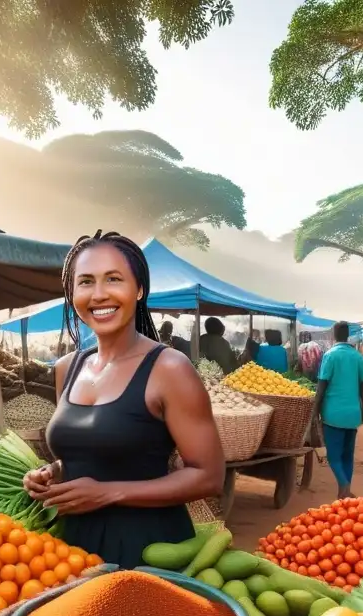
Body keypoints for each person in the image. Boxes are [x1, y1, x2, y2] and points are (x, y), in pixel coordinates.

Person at [23, 231, 224, 569]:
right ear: (72, 293)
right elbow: (93, 452)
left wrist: (107, 493)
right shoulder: (66, 368)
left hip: (147, 549)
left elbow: (209, 476)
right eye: (85, 282)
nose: (99, 294)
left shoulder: (169, 369)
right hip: (72, 550)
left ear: (139, 289)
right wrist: (53, 472)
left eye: (113, 279)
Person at [315, 321, 363, 499]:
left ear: (333, 334)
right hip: (353, 414)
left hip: (333, 413)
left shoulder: (330, 356)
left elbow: (322, 385)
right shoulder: (357, 357)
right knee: (348, 455)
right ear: (347, 335)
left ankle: (344, 485)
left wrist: (314, 410)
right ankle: (344, 492)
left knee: (333, 456)